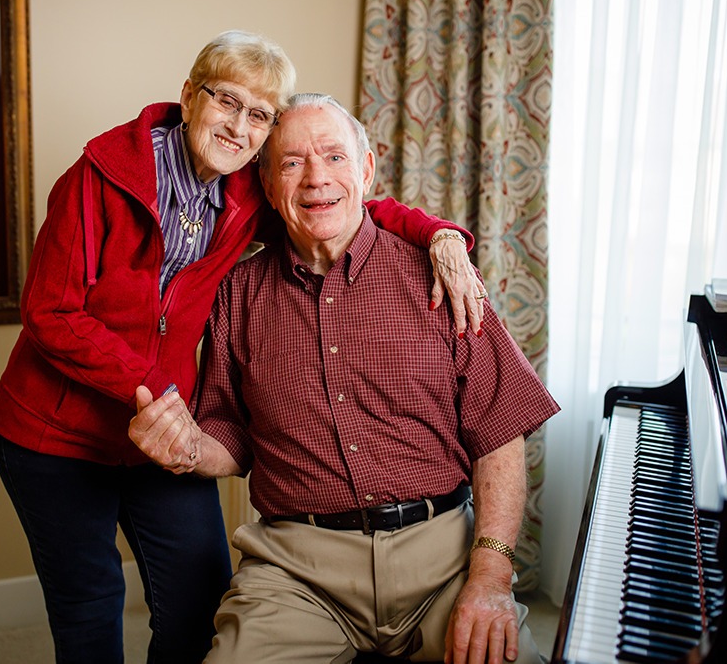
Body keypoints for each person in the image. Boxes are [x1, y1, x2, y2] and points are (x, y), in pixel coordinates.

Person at [0, 32, 488, 664]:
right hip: (55, 433)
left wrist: (441, 234)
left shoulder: (251, 190)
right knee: (89, 601)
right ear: (189, 97)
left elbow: (347, 199)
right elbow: (49, 312)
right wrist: (154, 391)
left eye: (260, 115)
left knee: (200, 601)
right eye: (227, 101)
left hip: (165, 435)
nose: (239, 125)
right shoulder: (97, 179)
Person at [129, 93, 560, 663]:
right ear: (266, 183)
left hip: (441, 561)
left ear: (366, 169)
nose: (316, 179)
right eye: (291, 163)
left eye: (334, 157)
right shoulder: (236, 293)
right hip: (296, 572)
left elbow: (499, 434)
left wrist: (490, 577)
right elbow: (231, 436)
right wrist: (186, 449)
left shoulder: (441, 277)